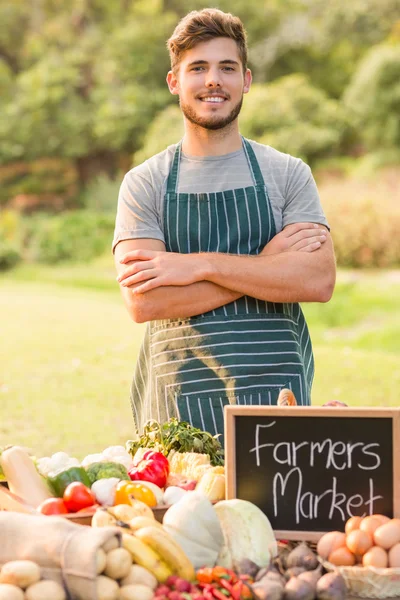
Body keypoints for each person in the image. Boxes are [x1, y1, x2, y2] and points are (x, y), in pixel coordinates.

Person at [113, 8, 336, 445]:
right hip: (177, 404)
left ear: (246, 80)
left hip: (276, 395)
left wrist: (198, 266)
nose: (213, 80)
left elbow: (318, 279)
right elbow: (146, 301)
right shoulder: (146, 182)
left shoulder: (288, 173)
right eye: (198, 67)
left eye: (226, 68)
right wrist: (267, 265)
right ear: (175, 81)